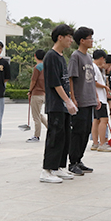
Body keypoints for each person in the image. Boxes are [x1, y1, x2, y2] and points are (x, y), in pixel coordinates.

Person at [40, 24, 78, 183]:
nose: (71, 40)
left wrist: (70, 100)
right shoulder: (51, 56)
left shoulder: (61, 57)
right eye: (69, 37)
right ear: (60, 37)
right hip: (56, 104)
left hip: (63, 105)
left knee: (65, 136)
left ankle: (59, 167)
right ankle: (47, 170)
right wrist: (67, 101)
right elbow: (55, 83)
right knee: (55, 137)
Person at [67, 27, 98, 176]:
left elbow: (92, 80)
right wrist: (73, 99)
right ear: (82, 40)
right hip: (80, 101)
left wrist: (96, 97)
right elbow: (70, 78)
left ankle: (79, 160)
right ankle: (72, 162)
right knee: (78, 132)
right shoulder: (76, 56)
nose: (92, 41)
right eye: (90, 38)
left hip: (90, 100)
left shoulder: (89, 57)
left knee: (86, 131)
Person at [91, 49, 111, 152]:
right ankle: (102, 144)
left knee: (96, 120)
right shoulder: (94, 68)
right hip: (99, 98)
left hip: (97, 98)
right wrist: (105, 87)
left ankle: (95, 143)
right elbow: (94, 82)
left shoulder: (94, 67)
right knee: (104, 120)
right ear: (101, 58)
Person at [27, 50, 48, 143]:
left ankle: (36, 136)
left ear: (35, 56)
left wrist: (30, 91)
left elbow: (33, 81)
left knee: (36, 116)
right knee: (39, 114)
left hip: (36, 94)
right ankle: (51, 128)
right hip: (44, 94)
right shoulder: (46, 67)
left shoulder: (37, 67)